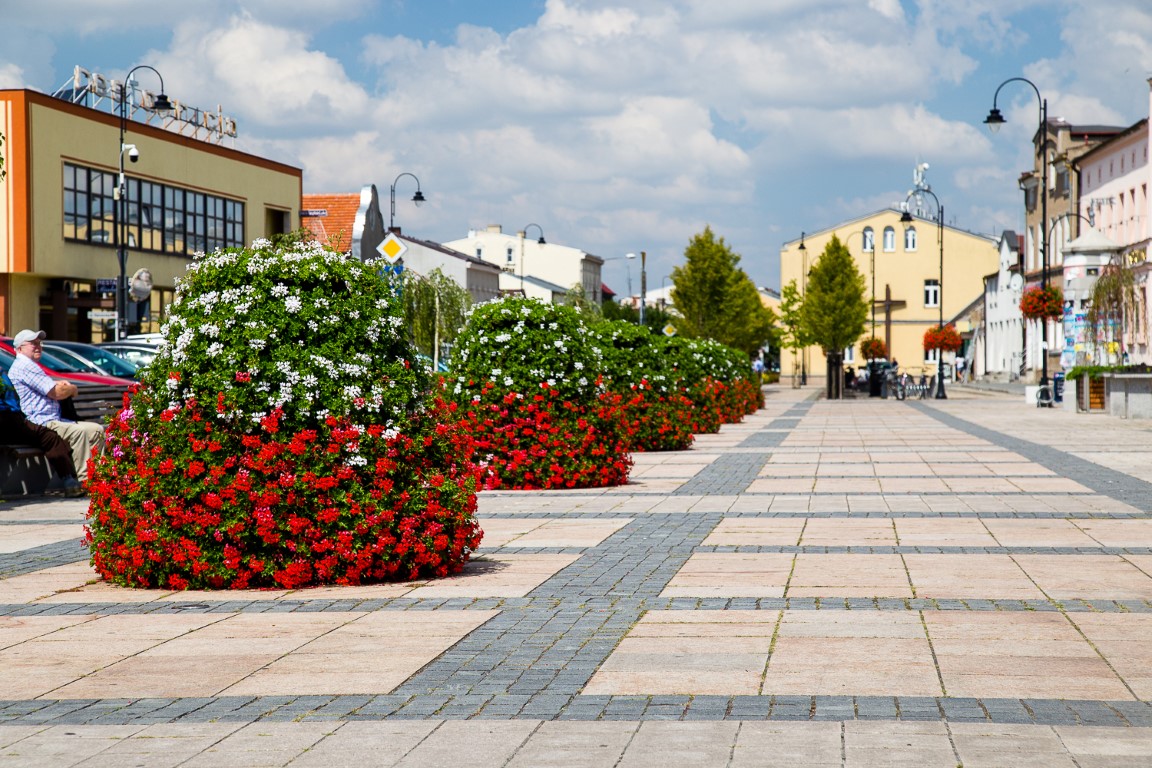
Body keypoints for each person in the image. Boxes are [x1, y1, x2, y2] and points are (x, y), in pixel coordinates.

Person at [8, 329, 104, 484]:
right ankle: (85, 480)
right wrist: (72, 389)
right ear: (19, 348)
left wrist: (58, 386)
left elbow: (49, 388)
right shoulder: (25, 365)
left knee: (96, 430)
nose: (38, 346)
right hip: (42, 422)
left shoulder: (30, 366)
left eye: (39, 343)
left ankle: (98, 477)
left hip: (54, 419)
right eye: (33, 343)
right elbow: (56, 393)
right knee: (79, 432)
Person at [0, 370, 85, 496]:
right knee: (48, 435)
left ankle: (69, 481)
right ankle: (70, 481)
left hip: (14, 419)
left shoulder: (3, 373)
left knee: (49, 436)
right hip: (6, 419)